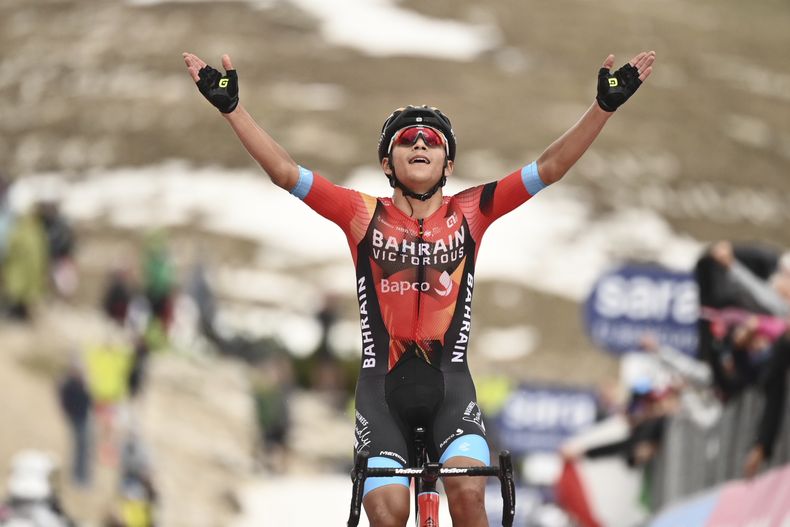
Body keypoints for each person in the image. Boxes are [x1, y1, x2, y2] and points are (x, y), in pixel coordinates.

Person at [183, 49, 655, 527]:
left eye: (433, 139)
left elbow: (549, 168)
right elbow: (286, 173)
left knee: (470, 497)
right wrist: (232, 110)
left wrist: (603, 108)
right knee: (389, 517)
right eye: (406, 139)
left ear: (448, 164)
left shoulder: (474, 210)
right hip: (380, 392)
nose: (420, 143)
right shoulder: (360, 213)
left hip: (451, 389)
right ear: (387, 163)